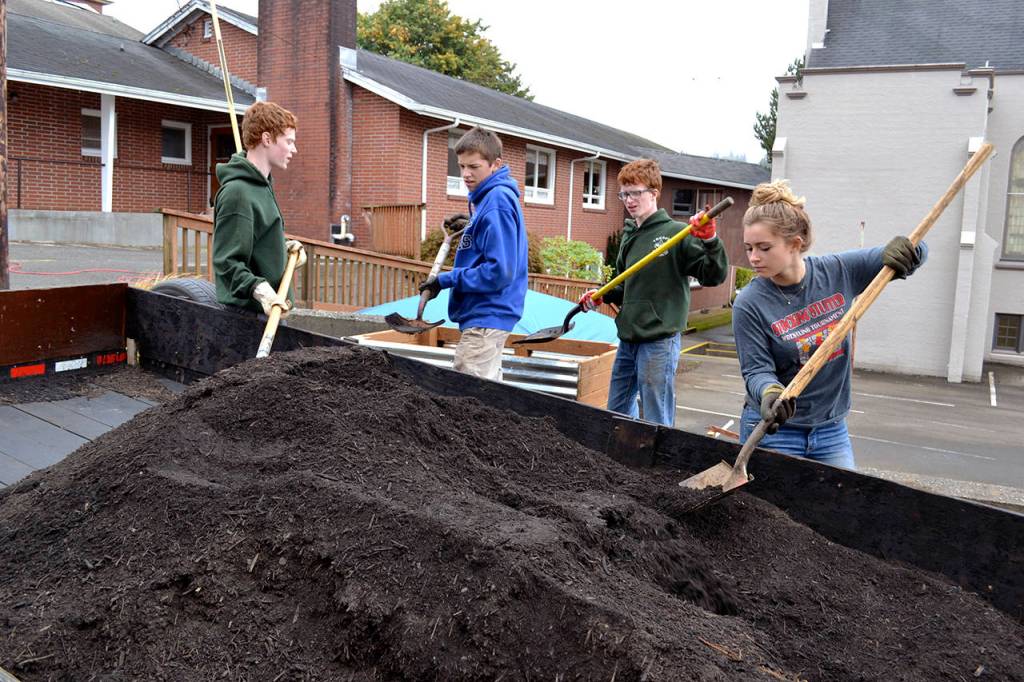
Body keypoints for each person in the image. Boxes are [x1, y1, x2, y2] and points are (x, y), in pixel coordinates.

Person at [732, 179, 928, 468]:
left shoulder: (838, 271)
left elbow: (915, 247)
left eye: (763, 247)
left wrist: (912, 252)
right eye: (749, 248)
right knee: (773, 513)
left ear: (794, 244)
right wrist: (770, 392)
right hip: (775, 431)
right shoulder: (749, 303)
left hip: (830, 430)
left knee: (840, 506)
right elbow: (756, 369)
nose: (753, 257)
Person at [580, 159, 728, 427]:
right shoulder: (629, 236)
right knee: (617, 412)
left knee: (655, 417)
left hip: (659, 340)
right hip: (628, 338)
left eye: (635, 192)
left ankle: (657, 466)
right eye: (624, 194)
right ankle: (621, 461)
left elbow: (713, 275)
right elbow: (626, 287)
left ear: (654, 192)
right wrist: (603, 294)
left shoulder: (676, 233)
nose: (629, 200)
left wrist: (709, 240)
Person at [418, 126, 528, 381]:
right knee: (488, 395)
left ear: (495, 164)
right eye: (461, 166)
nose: (466, 174)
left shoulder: (496, 202)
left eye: (474, 167)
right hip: (488, 314)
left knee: (468, 397)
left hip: (488, 313)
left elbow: (500, 272)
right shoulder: (489, 199)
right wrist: (472, 224)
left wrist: (446, 280)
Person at [213, 101, 306, 318]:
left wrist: (283, 249)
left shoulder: (261, 187)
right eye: (289, 141)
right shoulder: (238, 193)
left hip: (271, 312)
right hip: (246, 318)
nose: (294, 149)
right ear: (267, 139)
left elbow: (255, 243)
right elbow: (227, 263)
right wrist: (261, 291)